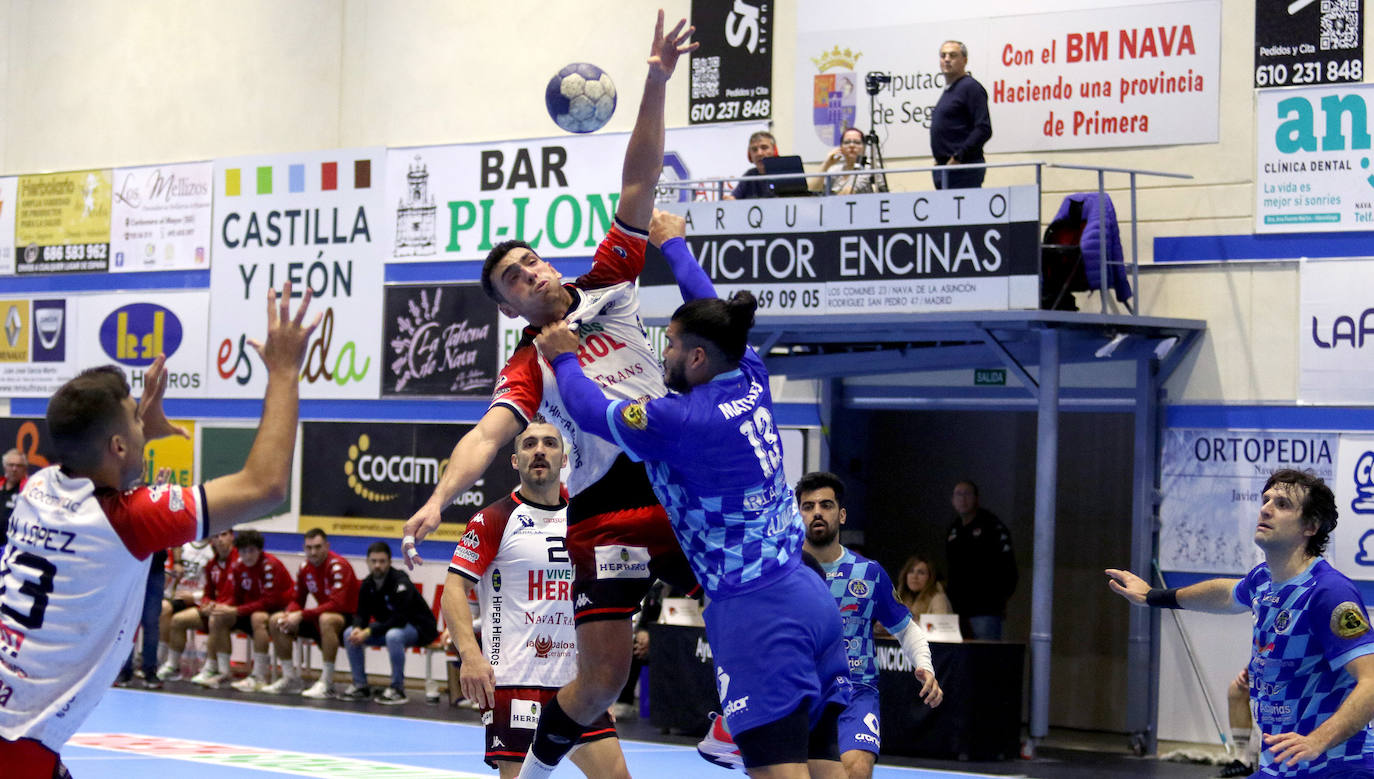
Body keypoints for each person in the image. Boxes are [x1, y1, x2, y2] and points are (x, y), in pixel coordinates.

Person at [400, 13, 699, 779]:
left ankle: (743, 723)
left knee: (752, 594)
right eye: (512, 279)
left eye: (530, 261)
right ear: (507, 307)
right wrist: (439, 498)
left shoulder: (606, 280)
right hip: (607, 499)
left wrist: (657, 81)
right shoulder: (529, 360)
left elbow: (639, 180)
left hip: (679, 467)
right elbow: (488, 436)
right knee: (601, 680)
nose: (530, 272)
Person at [535, 214, 851, 778]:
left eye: (673, 346)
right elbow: (716, 315)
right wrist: (673, 246)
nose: (663, 357)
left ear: (698, 358)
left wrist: (562, 355)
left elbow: (587, 410)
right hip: (810, 595)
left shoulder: (677, 418)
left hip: (756, 615)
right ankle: (730, 722)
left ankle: (734, 721)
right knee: (826, 768)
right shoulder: (749, 370)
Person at [0, 283, 318, 777]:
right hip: (19, 744)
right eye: (134, 421)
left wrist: (141, 422)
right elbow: (267, 484)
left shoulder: (38, 486)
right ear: (118, 446)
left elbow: (108, 473)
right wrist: (283, 370)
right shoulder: (128, 520)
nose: (142, 426)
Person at [1108, 469, 1374, 778]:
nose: (1266, 508)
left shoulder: (1329, 592)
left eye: (1283, 504)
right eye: (1266, 499)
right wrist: (1153, 596)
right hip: (1282, 765)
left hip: (1338, 766)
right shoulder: (1262, 579)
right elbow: (1223, 594)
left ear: (1311, 526)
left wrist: (1318, 740)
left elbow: (1371, 681)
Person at [442, 419, 629, 778]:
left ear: (563, 458)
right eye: (528, 445)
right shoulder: (493, 519)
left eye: (549, 443)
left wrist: (605, 677)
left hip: (579, 686)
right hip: (515, 683)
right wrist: (470, 656)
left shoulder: (587, 515)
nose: (539, 450)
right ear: (515, 461)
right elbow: (454, 588)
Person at [789, 471, 942, 779]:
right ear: (798, 515)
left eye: (826, 505)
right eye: (808, 506)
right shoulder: (784, 571)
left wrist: (925, 665)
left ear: (841, 514)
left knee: (857, 769)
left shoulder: (868, 573)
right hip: (798, 692)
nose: (817, 512)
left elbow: (905, 628)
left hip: (855, 692)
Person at [263, 528, 360, 698]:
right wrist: (290, 613)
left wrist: (301, 615)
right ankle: (290, 678)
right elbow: (297, 599)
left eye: (317, 547)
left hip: (349, 617)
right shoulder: (304, 568)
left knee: (326, 619)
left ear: (327, 546)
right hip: (320, 616)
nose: (313, 552)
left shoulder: (339, 566)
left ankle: (327, 682)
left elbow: (337, 604)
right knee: (276, 620)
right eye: (309, 548)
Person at [343, 540, 439, 704]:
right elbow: (361, 614)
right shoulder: (367, 584)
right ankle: (360, 686)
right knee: (348, 634)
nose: (377, 565)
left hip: (418, 629)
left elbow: (399, 619)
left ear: (389, 562)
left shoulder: (401, 582)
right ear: (367, 562)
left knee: (393, 636)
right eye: (373, 561)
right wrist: (358, 628)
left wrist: (369, 631)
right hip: (386, 629)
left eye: (382, 561)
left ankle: (397, 689)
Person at [205, 528, 295, 692]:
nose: (247, 556)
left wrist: (236, 610)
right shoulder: (239, 567)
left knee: (257, 618)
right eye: (243, 551)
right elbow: (237, 597)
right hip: (253, 608)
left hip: (278, 609)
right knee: (219, 617)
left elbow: (269, 601)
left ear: (259, 550)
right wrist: (222, 606)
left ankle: (259, 676)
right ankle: (224, 672)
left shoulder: (270, 565)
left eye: (252, 551)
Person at [160, 529, 237, 683]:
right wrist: (207, 603)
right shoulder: (213, 562)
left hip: (231, 609)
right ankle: (168, 663)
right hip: (204, 604)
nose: (220, 539)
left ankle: (214, 668)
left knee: (216, 619)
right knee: (175, 618)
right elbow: (209, 591)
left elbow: (237, 594)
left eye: (224, 535)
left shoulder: (237, 561)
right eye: (216, 535)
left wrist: (198, 599)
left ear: (232, 537)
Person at [946, 480, 1016, 640]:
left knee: (984, 660)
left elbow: (1009, 570)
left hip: (985, 611)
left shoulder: (992, 526)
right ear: (952, 500)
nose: (962, 499)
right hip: (956, 611)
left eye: (967, 494)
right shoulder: (954, 530)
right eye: (958, 494)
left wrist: (998, 600)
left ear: (976, 498)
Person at [930, 40, 991, 190]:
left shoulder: (970, 88)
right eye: (943, 55)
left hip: (963, 170)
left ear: (964, 60)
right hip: (945, 170)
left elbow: (983, 128)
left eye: (952, 55)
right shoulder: (950, 90)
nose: (947, 59)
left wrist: (958, 156)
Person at [809, 128, 875, 196]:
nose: (851, 145)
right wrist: (826, 164)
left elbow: (848, 192)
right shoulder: (835, 170)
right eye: (847, 142)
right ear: (840, 148)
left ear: (864, 147)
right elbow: (812, 190)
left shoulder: (871, 168)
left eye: (857, 142)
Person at [724, 130, 779, 200]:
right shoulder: (749, 176)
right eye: (754, 149)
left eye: (764, 148)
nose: (759, 153)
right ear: (750, 155)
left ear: (774, 151)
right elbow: (734, 198)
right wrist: (729, 200)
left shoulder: (785, 174)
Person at [2, 448, 29, 543]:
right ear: (5, 467)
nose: (14, 469)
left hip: (11, 545)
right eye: (11, 465)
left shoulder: (28, 490)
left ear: (25, 469)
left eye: (19, 466)